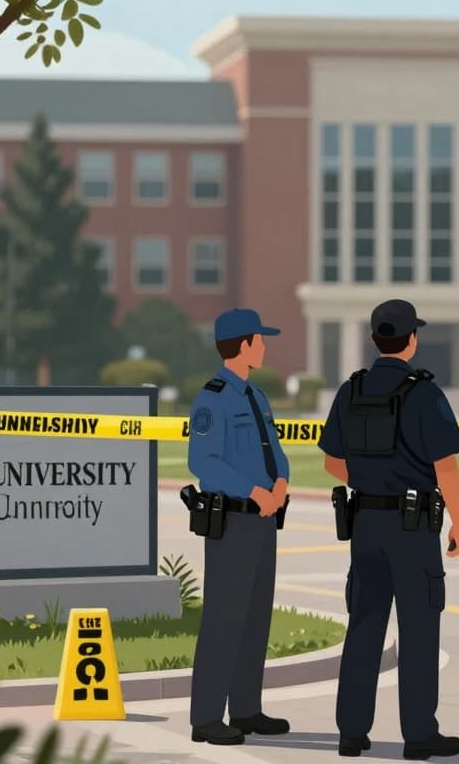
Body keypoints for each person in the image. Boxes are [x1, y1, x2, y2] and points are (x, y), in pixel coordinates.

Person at [319, 299, 459, 760]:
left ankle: (351, 733)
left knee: (364, 625)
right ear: (412, 340)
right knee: (419, 627)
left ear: (373, 340)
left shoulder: (351, 389)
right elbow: (445, 466)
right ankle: (419, 735)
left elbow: (330, 460)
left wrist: (369, 483)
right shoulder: (423, 392)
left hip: (365, 523)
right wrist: (458, 523)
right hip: (413, 526)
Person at [186, 308, 292, 745]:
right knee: (223, 618)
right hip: (232, 520)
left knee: (254, 617)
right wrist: (255, 491)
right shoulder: (213, 397)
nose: (264, 346)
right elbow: (203, 461)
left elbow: (276, 449)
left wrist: (281, 481)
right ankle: (207, 717)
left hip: (263, 522)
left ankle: (246, 709)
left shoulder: (257, 396)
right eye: (260, 339)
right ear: (243, 344)